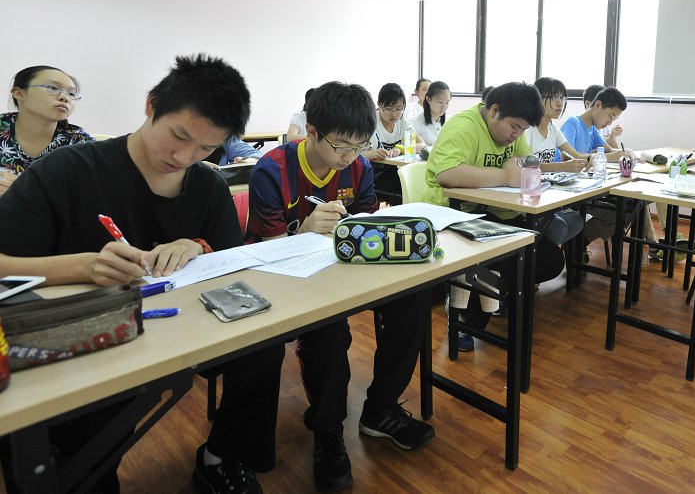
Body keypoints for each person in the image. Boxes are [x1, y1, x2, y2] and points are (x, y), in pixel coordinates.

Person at [0, 54, 284, 494]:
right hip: (93, 335)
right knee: (91, 422)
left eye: (206, 149)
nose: (184, 157)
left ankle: (222, 456)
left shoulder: (208, 185)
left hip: (182, 327)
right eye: (179, 135)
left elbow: (229, 259)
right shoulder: (69, 170)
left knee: (262, 347)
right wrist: (83, 266)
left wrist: (199, 245)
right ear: (152, 105)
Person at [246, 81, 434, 492]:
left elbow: (365, 225)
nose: (350, 157)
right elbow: (268, 251)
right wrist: (306, 229)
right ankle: (328, 429)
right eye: (341, 147)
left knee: (414, 298)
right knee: (329, 327)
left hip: (343, 270)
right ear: (312, 132)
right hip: (283, 277)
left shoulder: (359, 167)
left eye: (359, 146)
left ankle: (380, 408)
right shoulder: (273, 169)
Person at [425, 82, 566, 350]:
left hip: (493, 212)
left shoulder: (516, 130)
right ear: (494, 110)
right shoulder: (462, 127)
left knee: (548, 260)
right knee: (498, 261)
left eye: (523, 129)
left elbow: (526, 161)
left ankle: (486, 293)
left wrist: (516, 165)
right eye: (514, 127)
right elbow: (448, 174)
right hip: (453, 215)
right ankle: (463, 318)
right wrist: (505, 175)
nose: (517, 134)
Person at [1, 65, 94, 196]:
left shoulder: (81, 143)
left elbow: (92, 193)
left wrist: (28, 191)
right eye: (52, 88)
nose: (64, 97)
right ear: (19, 93)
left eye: (71, 94)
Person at [561, 87, 635, 247]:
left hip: (586, 188)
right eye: (610, 116)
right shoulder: (573, 123)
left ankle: (578, 244)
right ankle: (576, 245)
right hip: (568, 190)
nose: (609, 123)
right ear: (598, 105)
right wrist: (610, 156)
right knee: (620, 213)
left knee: (630, 209)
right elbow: (568, 156)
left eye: (614, 119)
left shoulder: (593, 129)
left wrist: (627, 152)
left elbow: (608, 151)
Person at [526, 77, 588, 245]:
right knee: (558, 227)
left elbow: (576, 155)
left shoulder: (553, 128)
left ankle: (545, 255)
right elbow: (526, 165)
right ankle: (536, 257)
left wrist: (593, 159)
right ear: (538, 98)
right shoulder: (528, 128)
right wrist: (563, 166)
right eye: (554, 97)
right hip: (528, 195)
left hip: (547, 192)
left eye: (562, 97)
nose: (560, 103)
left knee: (576, 221)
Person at [363, 82, 423, 205]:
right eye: (389, 109)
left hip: (393, 173)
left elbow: (422, 145)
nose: (394, 114)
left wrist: (401, 149)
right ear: (379, 105)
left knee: (412, 179)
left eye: (399, 109)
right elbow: (354, 155)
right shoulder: (369, 123)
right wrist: (373, 154)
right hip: (372, 175)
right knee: (403, 184)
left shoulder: (403, 122)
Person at [409, 80, 450, 145]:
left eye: (447, 102)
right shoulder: (416, 122)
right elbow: (410, 146)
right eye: (440, 102)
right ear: (428, 99)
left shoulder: (450, 121)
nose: (444, 107)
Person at [582, 83, 623, 147]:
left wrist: (613, 138)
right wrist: (609, 140)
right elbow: (590, 149)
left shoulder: (603, 126)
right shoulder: (577, 124)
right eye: (610, 116)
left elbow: (613, 148)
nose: (609, 123)